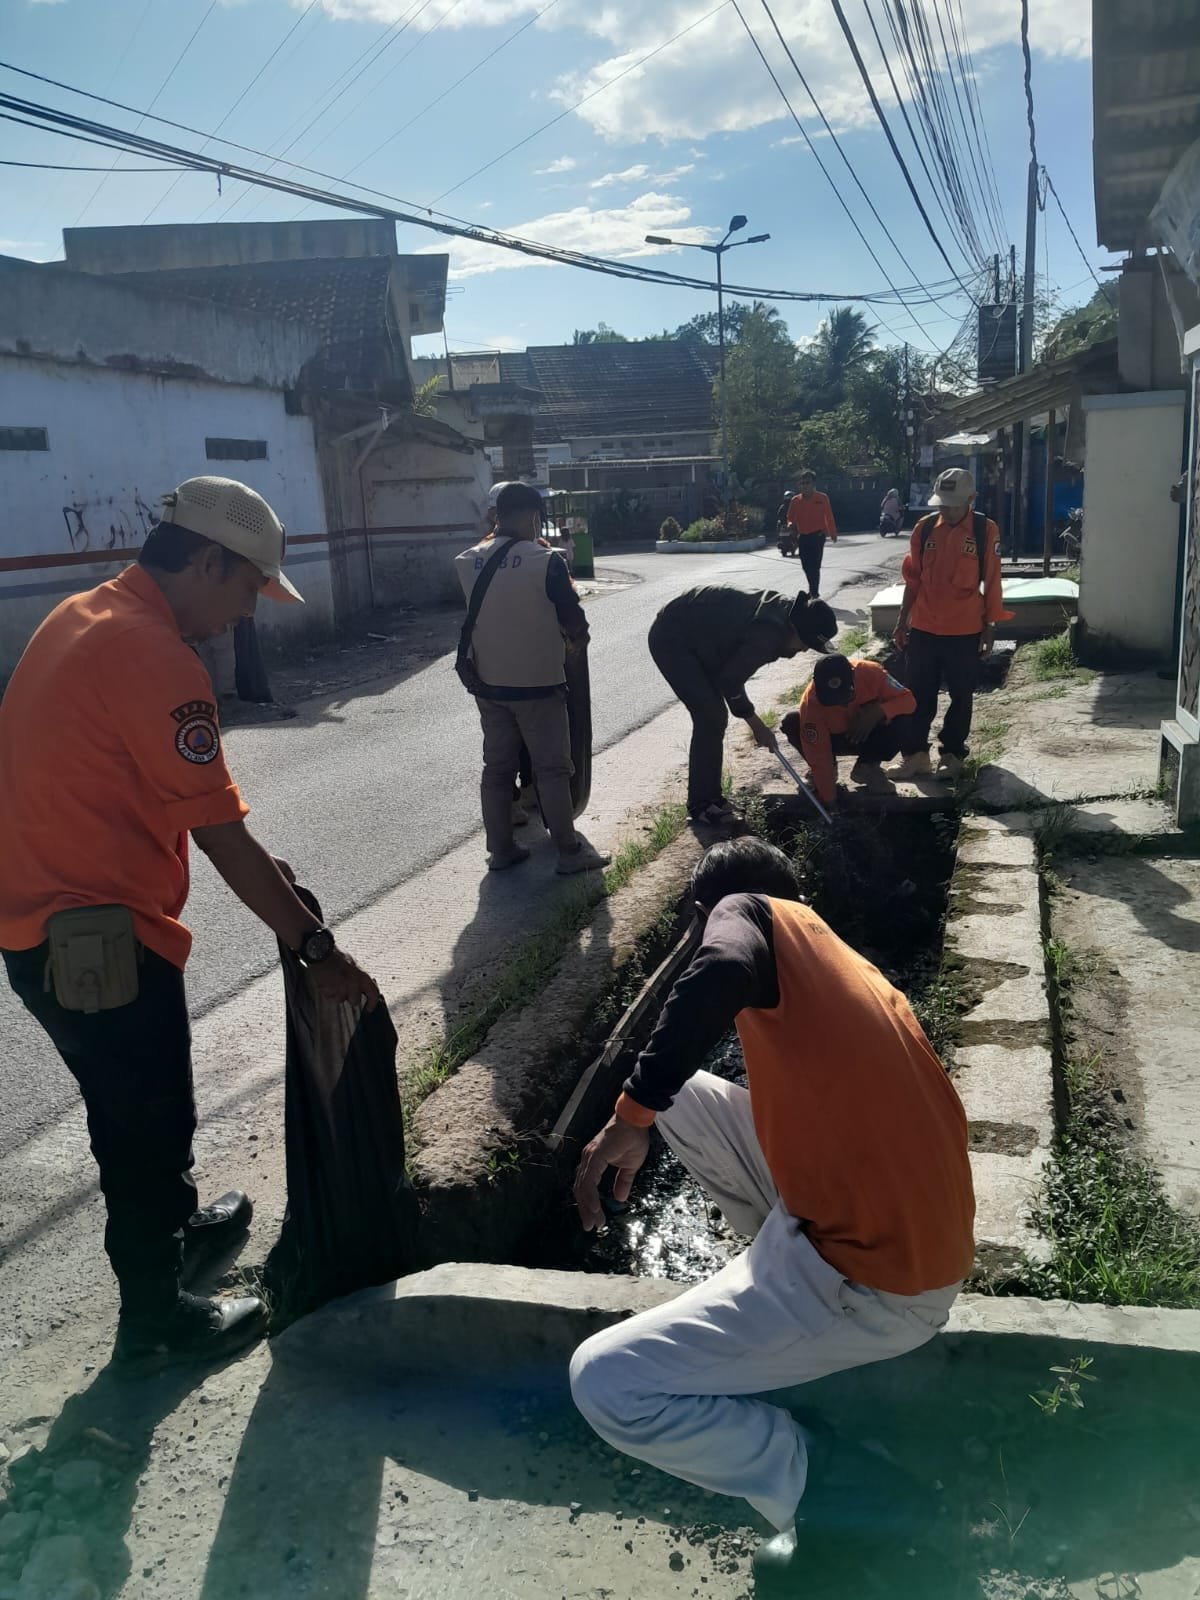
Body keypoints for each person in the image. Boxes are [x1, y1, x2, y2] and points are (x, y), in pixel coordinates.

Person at [0, 476, 380, 1376]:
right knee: (144, 1123)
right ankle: (154, 1320)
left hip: (45, 916)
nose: (246, 613)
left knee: (142, 1106)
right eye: (248, 588)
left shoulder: (85, 615)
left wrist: (256, 867)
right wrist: (315, 947)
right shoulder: (156, 655)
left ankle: (174, 1229)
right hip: (92, 938)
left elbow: (159, 791)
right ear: (207, 560)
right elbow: (220, 836)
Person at [569, 837, 974, 1584]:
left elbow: (720, 965)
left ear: (705, 914)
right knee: (683, 1095)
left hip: (876, 1282)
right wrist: (653, 1103)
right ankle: (776, 1294)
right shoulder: (829, 952)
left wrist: (630, 1112)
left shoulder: (742, 919)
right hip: (904, 1235)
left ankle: (835, 1484)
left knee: (605, 1383)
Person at [455, 481, 609, 875]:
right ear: (529, 516)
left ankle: (502, 849)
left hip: (487, 685)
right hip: (538, 685)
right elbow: (574, 623)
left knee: (498, 768)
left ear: (497, 516)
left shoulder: (467, 560)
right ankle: (570, 853)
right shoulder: (546, 560)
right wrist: (574, 648)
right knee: (552, 769)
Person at [647, 586, 836, 828]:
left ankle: (713, 798)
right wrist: (757, 725)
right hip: (673, 638)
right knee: (710, 717)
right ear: (796, 630)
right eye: (805, 643)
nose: (803, 650)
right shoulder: (769, 634)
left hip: (700, 637)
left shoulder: (787, 614)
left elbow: (728, 673)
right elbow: (729, 681)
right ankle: (702, 805)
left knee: (714, 716)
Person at [889, 467, 1010, 781]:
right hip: (925, 628)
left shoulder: (985, 530)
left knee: (961, 694)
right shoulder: (925, 529)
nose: (945, 509)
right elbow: (913, 580)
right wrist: (903, 621)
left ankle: (952, 755)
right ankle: (916, 756)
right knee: (918, 694)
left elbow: (993, 582)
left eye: (952, 504)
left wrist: (991, 626)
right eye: (941, 503)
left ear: (971, 499)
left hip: (965, 630)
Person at [780, 653, 916, 806]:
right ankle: (823, 775)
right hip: (834, 741)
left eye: (846, 697)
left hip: (870, 737)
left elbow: (908, 701)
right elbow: (818, 753)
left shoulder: (871, 672)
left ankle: (868, 767)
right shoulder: (811, 703)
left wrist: (879, 711)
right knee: (792, 722)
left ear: (853, 675)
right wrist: (829, 799)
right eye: (833, 701)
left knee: (904, 718)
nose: (841, 705)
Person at [784, 470, 837, 597]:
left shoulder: (822, 498)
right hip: (803, 536)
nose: (805, 486)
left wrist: (832, 533)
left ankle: (814, 592)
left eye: (807, 483)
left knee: (815, 565)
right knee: (806, 565)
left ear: (813, 484)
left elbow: (828, 516)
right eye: (802, 483)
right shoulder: (795, 501)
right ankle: (813, 589)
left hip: (818, 536)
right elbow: (790, 517)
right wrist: (790, 524)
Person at [774, 488, 796, 554]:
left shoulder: (784, 506)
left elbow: (778, 515)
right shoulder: (785, 506)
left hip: (789, 524)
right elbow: (778, 515)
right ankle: (779, 539)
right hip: (785, 524)